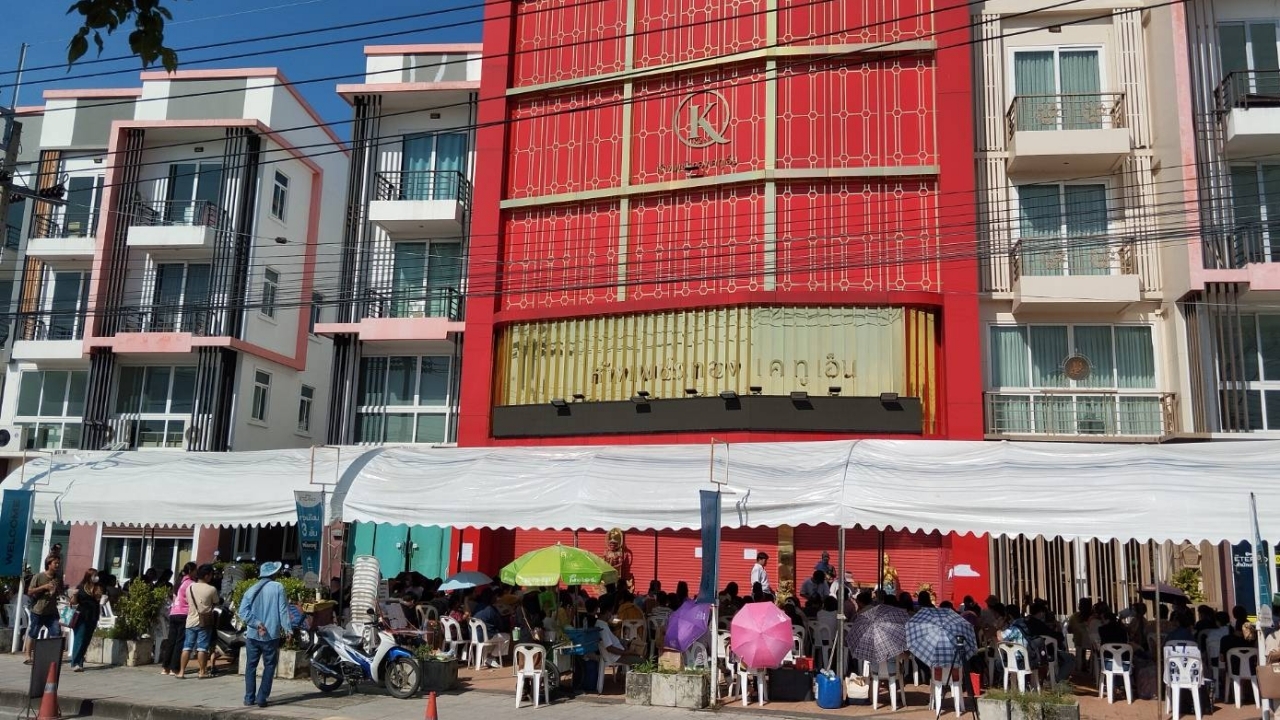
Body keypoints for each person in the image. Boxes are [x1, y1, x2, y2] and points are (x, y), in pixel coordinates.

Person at [238, 561, 293, 708]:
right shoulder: (278, 587)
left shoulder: (251, 589)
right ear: (273, 574)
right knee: (269, 666)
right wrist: (288, 629)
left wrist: (256, 623)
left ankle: (249, 698)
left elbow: (242, 611)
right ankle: (262, 698)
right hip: (271, 635)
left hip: (252, 635)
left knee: (251, 666)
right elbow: (283, 610)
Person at [180, 565, 220, 679]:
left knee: (187, 647)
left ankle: (181, 672)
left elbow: (188, 601)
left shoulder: (190, 587)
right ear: (207, 576)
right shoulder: (211, 589)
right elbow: (216, 602)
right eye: (211, 575)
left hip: (190, 621)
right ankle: (202, 671)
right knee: (202, 648)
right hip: (205, 622)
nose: (212, 577)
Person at [24, 555, 62, 665]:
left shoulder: (57, 577)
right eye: (55, 563)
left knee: (56, 633)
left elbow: (60, 591)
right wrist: (44, 587)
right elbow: (30, 591)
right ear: (49, 564)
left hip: (52, 611)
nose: (57, 565)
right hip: (38, 611)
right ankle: (28, 656)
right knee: (33, 633)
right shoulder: (38, 576)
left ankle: (53, 657)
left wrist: (57, 590)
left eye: (58, 563)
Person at [163, 563, 197, 677]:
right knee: (180, 641)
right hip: (183, 613)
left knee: (171, 640)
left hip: (174, 612)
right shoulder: (190, 584)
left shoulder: (178, 582)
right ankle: (174, 667)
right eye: (195, 570)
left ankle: (165, 667)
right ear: (191, 571)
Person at [69, 569, 103, 672]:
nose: (96, 577)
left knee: (86, 641)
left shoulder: (98, 587)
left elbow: (99, 600)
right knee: (79, 639)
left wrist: (103, 600)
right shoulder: (81, 587)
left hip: (93, 616)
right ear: (88, 576)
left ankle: (80, 663)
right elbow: (73, 603)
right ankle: (75, 663)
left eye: (96, 575)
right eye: (94, 575)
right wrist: (74, 595)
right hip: (82, 616)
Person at [472, 589, 512, 667]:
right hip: (485, 636)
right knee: (507, 637)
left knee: (494, 635)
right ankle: (492, 657)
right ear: (491, 598)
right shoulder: (490, 609)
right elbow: (500, 625)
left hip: (475, 635)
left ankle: (488, 657)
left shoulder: (478, 606)